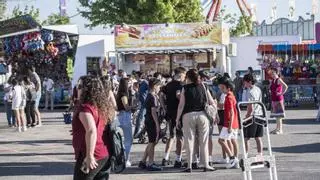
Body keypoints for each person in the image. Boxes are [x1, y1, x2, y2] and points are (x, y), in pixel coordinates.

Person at [72, 75, 114, 180]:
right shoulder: (99, 106)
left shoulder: (85, 108)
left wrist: (89, 156)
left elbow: (91, 131)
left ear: (87, 90)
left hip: (92, 154)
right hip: (104, 153)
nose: (77, 89)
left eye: (80, 86)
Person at [175, 69, 216, 173]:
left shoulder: (185, 88)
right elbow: (212, 102)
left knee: (189, 141)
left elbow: (181, 105)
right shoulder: (203, 86)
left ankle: (189, 165)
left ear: (188, 78)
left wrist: (177, 119)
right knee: (204, 141)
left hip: (188, 116)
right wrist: (215, 114)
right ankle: (206, 164)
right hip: (203, 115)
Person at [162, 67, 186, 168]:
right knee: (180, 137)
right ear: (180, 75)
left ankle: (166, 157)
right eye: (184, 75)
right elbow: (178, 95)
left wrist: (164, 107)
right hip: (178, 113)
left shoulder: (167, 85)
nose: (185, 77)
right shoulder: (180, 85)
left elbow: (160, 95)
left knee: (171, 136)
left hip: (169, 113)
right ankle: (178, 159)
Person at [139, 78, 163, 171]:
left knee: (151, 142)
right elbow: (153, 112)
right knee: (152, 142)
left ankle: (143, 161)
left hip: (149, 120)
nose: (159, 88)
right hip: (151, 121)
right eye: (159, 86)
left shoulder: (151, 96)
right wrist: (157, 125)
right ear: (154, 86)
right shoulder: (152, 97)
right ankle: (150, 163)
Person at [217, 77, 240, 169]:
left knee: (221, 140)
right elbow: (227, 108)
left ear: (228, 88)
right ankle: (236, 159)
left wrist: (229, 125)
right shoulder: (231, 96)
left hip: (229, 123)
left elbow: (231, 112)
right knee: (233, 140)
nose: (222, 89)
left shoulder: (229, 97)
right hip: (234, 123)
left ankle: (232, 158)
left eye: (223, 88)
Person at [116, 78, 136, 167]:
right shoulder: (123, 94)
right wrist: (134, 106)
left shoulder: (121, 93)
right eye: (129, 83)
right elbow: (126, 107)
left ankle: (124, 158)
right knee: (128, 139)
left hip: (122, 116)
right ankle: (125, 159)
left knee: (126, 139)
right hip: (125, 116)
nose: (131, 84)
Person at [243, 74, 264, 156]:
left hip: (253, 115)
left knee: (246, 137)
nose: (244, 84)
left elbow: (250, 106)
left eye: (245, 82)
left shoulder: (250, 91)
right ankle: (260, 154)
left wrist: (246, 116)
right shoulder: (258, 89)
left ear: (249, 82)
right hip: (260, 114)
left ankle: (246, 154)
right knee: (258, 137)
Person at [269, 68, 288, 134]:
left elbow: (286, 86)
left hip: (278, 99)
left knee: (279, 116)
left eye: (273, 73)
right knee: (276, 115)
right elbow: (271, 88)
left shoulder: (279, 79)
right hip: (274, 99)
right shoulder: (272, 80)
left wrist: (281, 93)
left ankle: (280, 130)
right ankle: (277, 129)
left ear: (277, 73)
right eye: (272, 73)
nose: (272, 74)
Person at [133, 71, 149, 138]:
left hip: (146, 104)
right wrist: (136, 103)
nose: (135, 78)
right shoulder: (140, 84)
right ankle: (138, 134)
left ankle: (138, 134)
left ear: (140, 76)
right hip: (142, 104)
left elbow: (151, 90)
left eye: (136, 76)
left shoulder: (145, 83)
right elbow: (139, 95)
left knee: (140, 119)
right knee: (140, 119)